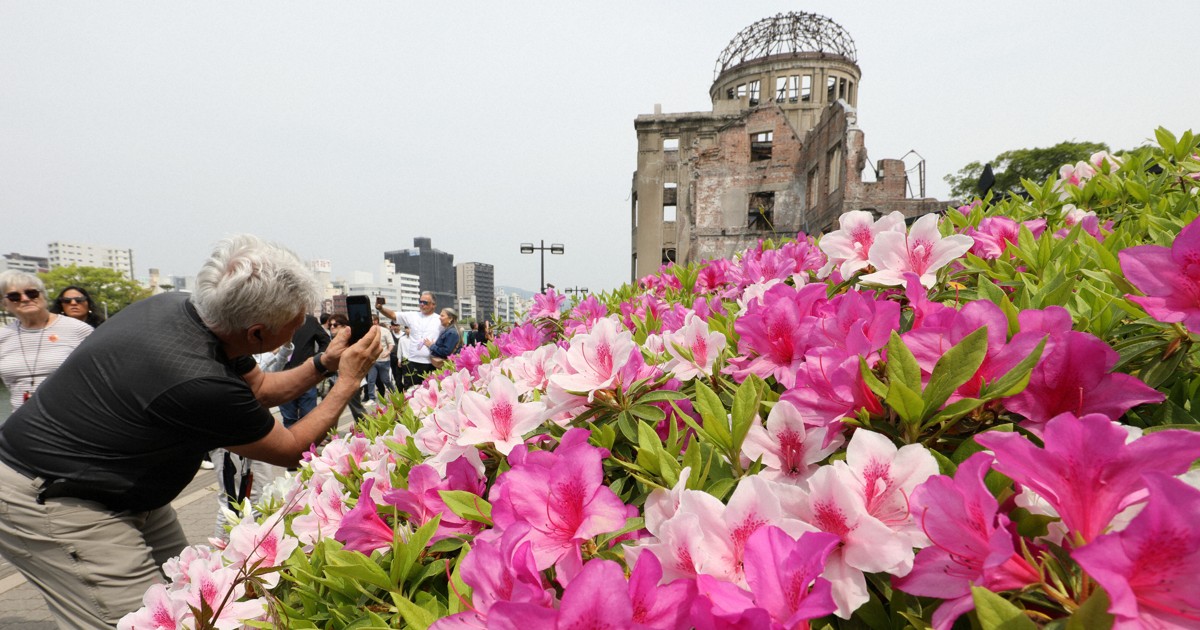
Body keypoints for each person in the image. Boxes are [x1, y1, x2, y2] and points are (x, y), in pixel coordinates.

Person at [0, 234, 379, 629]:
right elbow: (290, 449)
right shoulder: (197, 379)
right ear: (256, 334)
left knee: (191, 602)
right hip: (57, 497)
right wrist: (348, 382)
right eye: (297, 319)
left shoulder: (183, 310)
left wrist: (324, 362)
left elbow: (263, 389)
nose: (305, 324)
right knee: (133, 621)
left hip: (123, 488)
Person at [0, 271, 93, 410]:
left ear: (43, 296)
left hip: (72, 419)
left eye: (32, 293)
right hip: (22, 422)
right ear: (4, 304)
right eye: (14, 296)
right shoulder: (3, 336)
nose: (25, 299)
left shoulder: (78, 329)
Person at [377, 292, 443, 388]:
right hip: (412, 362)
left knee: (431, 392)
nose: (421, 304)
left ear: (433, 305)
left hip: (431, 363)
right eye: (420, 301)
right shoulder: (413, 315)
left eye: (425, 302)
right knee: (411, 392)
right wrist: (380, 308)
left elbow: (451, 334)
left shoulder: (440, 320)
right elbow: (393, 315)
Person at [277, 314, 330, 428]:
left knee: (308, 416)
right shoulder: (276, 319)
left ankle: (308, 444)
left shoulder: (310, 321)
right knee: (289, 418)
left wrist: (316, 359)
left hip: (306, 374)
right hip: (282, 376)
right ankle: (290, 445)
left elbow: (325, 341)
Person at [364, 314, 394, 404]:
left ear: (376, 321)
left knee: (386, 380)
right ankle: (372, 398)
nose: (371, 322)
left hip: (384, 360)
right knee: (370, 380)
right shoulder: (367, 332)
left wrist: (388, 351)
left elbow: (391, 343)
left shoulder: (385, 331)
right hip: (372, 361)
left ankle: (394, 393)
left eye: (373, 320)